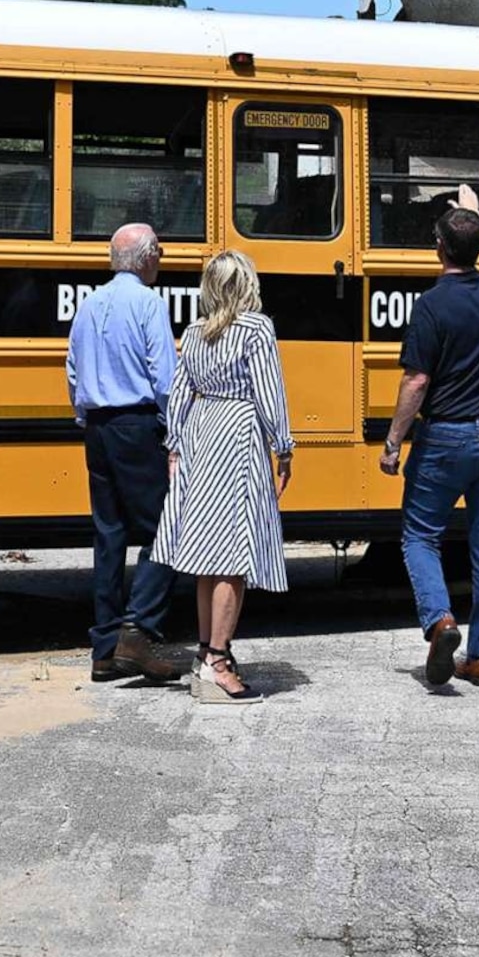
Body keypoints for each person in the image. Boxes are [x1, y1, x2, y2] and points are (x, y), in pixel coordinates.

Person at [378, 184, 479, 687]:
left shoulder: (431, 306)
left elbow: (417, 381)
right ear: (474, 245)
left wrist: (393, 441)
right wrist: (476, 215)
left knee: (420, 535)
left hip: (445, 439)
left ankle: (440, 620)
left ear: (438, 249)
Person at [154, 251, 293, 703]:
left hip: (200, 431)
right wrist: (284, 446)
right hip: (238, 434)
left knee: (206, 555)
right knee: (234, 553)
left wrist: (175, 444)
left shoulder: (193, 333)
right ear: (247, 284)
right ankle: (218, 660)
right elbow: (268, 390)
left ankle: (205, 654)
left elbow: (178, 393)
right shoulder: (256, 328)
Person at [66, 222, 187, 683]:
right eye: (160, 251)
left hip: (97, 428)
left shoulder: (88, 305)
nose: (161, 259)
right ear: (149, 256)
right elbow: (165, 380)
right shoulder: (148, 304)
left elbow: (74, 372)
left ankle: (103, 648)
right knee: (167, 527)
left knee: (109, 536)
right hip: (137, 426)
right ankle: (139, 631)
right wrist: (176, 433)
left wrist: (86, 417)